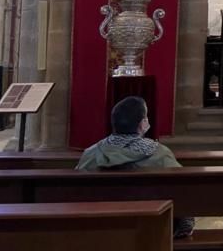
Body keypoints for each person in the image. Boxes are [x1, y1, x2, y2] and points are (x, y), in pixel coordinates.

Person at [76, 96, 195, 239]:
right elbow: (183, 195)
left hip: (97, 232)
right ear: (142, 123)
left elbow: (75, 194)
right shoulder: (160, 154)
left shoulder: (90, 154)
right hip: (151, 233)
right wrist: (183, 229)